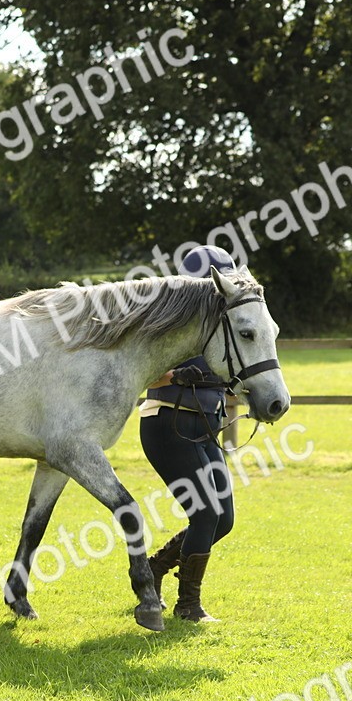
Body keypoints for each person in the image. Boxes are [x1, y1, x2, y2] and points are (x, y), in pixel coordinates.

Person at [140, 245, 238, 622]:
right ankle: (188, 606)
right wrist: (174, 376)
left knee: (223, 520)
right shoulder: (166, 321)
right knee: (206, 514)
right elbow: (138, 375)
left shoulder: (219, 324)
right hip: (168, 422)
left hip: (205, 426)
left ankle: (155, 568)